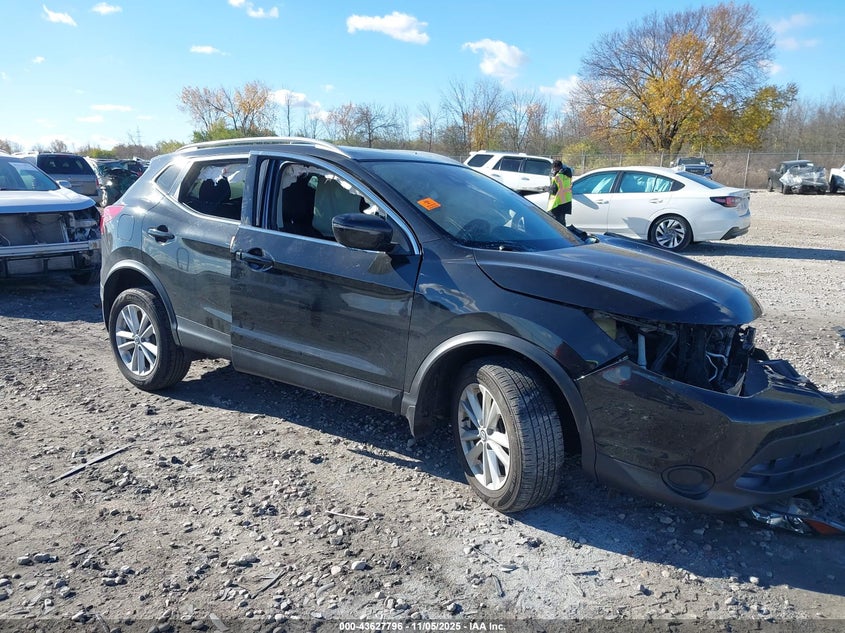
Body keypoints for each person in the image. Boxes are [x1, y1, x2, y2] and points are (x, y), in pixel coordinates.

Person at [547, 159, 572, 224]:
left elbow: (554, 189)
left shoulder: (558, 176)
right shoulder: (568, 175)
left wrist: (547, 189)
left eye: (553, 168)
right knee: (562, 221)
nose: (553, 170)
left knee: (555, 223)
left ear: (556, 167)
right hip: (565, 201)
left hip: (557, 202)